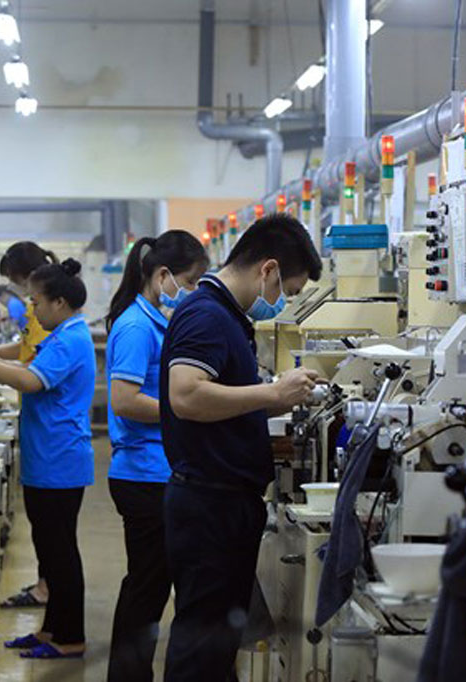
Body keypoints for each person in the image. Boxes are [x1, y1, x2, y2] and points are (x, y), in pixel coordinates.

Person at [160, 214, 323, 682]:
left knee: (215, 649)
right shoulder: (207, 315)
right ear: (268, 269)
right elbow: (186, 395)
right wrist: (272, 392)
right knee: (200, 651)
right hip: (209, 506)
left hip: (221, 504)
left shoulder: (225, 315)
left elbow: (224, 396)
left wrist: (275, 396)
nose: (282, 301)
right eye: (287, 290)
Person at [0, 258, 95, 659]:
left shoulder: (71, 339)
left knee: (61, 554)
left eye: (36, 302)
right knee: (50, 552)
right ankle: (50, 630)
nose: (32, 310)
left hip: (60, 460)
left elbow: (32, 380)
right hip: (47, 458)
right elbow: (28, 366)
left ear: (59, 302)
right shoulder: (61, 334)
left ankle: (70, 638)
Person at [104, 231, 208, 682]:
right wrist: (186, 409)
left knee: (150, 587)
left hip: (157, 470)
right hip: (143, 475)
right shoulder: (135, 327)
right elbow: (124, 401)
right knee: (146, 590)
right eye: (191, 281)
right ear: (163, 275)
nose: (193, 290)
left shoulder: (157, 321)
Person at [0, 241, 56, 608]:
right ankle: (45, 584)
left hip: (53, 441)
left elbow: (31, 373)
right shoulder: (36, 311)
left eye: (16, 280)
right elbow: (26, 351)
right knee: (45, 526)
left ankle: (49, 589)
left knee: (52, 529)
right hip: (40, 433)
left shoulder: (50, 321)